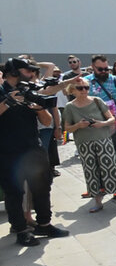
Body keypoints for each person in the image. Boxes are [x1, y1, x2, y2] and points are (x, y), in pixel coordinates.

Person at [0, 59, 69, 245]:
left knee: (42, 188)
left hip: (33, 149)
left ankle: (44, 224)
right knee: (14, 192)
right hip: (8, 153)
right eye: (27, 70)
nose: (31, 74)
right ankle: (21, 230)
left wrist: (39, 109)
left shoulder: (30, 91)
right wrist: (8, 101)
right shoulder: (1, 90)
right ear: (13, 71)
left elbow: (46, 122)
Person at [63, 79, 116, 212]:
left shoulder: (97, 101)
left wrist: (101, 123)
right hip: (84, 143)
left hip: (103, 140)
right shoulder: (69, 107)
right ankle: (97, 201)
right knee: (91, 171)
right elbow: (67, 128)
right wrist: (78, 125)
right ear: (72, 90)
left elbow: (112, 118)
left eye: (86, 87)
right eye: (80, 88)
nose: (84, 90)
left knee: (111, 168)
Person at [84, 55, 116, 175]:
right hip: (92, 127)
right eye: (100, 69)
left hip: (113, 126)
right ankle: (99, 187)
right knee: (94, 157)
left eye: (106, 69)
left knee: (114, 155)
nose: (104, 72)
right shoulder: (85, 82)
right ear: (92, 67)